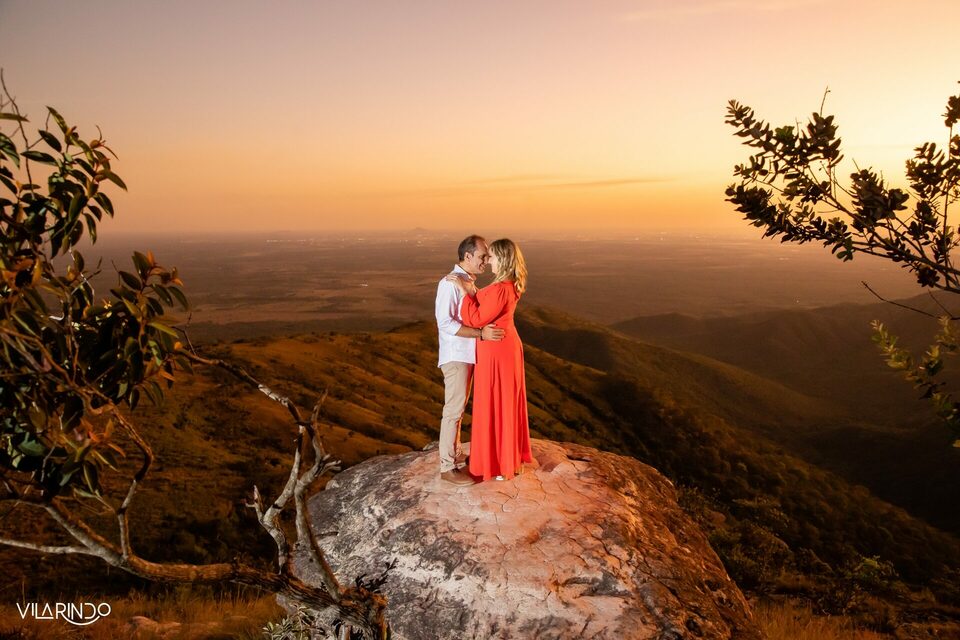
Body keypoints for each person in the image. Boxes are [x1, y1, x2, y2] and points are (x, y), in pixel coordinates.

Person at [446, 238, 532, 481]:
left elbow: (475, 319)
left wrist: (464, 293)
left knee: (495, 401)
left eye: (491, 256)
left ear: (502, 259)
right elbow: (487, 301)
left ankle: (498, 463)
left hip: (496, 350)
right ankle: (508, 458)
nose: (488, 260)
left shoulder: (500, 288)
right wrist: (473, 292)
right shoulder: (510, 285)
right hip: (505, 346)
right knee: (506, 401)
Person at [435, 235, 504, 485]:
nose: (486, 261)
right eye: (482, 256)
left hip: (468, 354)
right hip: (456, 355)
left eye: (487, 257)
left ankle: (454, 454)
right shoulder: (449, 284)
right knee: (453, 410)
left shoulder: (467, 282)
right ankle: (447, 467)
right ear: (467, 256)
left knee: (459, 408)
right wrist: (480, 334)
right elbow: (445, 323)